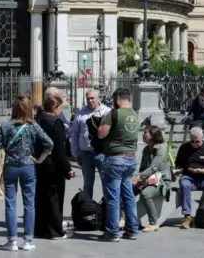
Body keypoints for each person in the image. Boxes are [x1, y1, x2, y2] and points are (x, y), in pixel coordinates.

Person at [0, 95, 53, 252]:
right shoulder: (33, 126)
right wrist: (40, 159)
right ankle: (27, 240)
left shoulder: (6, 125)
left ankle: (12, 241)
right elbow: (49, 143)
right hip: (28, 166)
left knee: (10, 203)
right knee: (29, 203)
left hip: (10, 166)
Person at [95, 88, 141, 242]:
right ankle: (132, 230)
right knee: (128, 196)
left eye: (114, 100)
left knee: (113, 198)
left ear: (118, 99)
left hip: (115, 160)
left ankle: (112, 232)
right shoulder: (135, 114)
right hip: (130, 160)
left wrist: (101, 124)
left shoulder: (113, 114)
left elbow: (101, 133)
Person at [34, 87, 74, 240]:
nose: (61, 111)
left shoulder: (40, 119)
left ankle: (41, 229)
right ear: (55, 107)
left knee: (42, 197)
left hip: (41, 163)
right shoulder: (55, 122)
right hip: (53, 166)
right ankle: (56, 231)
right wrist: (68, 168)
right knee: (55, 198)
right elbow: (59, 149)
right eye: (60, 108)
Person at [68, 88, 109, 199]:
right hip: (86, 153)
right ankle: (88, 207)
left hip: (102, 154)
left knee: (106, 184)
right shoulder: (81, 113)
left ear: (98, 98)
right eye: (88, 99)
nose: (90, 101)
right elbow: (74, 134)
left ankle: (106, 207)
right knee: (87, 184)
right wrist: (75, 153)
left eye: (92, 98)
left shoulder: (107, 112)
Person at [135, 125, 171, 232]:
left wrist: (140, 177)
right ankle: (126, 218)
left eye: (146, 133)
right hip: (148, 179)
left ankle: (153, 223)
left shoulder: (161, 148)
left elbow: (153, 168)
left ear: (153, 135)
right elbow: (142, 168)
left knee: (145, 193)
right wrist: (139, 180)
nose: (143, 135)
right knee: (128, 190)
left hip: (162, 181)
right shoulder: (146, 150)